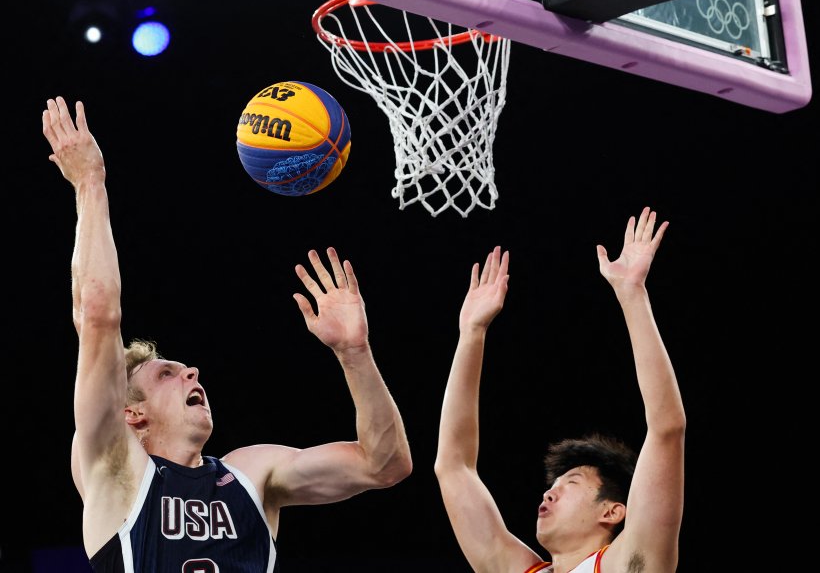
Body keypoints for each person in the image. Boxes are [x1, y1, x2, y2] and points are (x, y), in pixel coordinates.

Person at [42, 96, 413, 572]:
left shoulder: (251, 473)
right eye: (166, 374)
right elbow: (98, 313)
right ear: (132, 413)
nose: (192, 371)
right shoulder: (113, 470)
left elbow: (386, 465)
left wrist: (354, 353)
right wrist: (89, 182)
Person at [434, 207, 684, 573]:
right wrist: (471, 335)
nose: (549, 492)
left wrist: (632, 295)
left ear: (612, 511)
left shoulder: (627, 565)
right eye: (558, 484)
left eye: (572, 483)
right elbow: (453, 467)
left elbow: (667, 429)